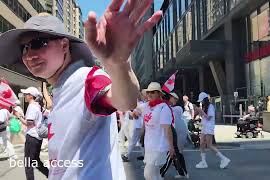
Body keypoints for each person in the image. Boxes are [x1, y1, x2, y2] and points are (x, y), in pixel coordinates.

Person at [0, 0, 163, 179]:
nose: (29, 55)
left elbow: (125, 100)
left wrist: (118, 64)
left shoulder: (86, 78)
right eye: (25, 48)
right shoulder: (61, 88)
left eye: (39, 43)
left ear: (64, 46)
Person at [141, 82, 175, 180]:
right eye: (148, 92)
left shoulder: (164, 108)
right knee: (155, 174)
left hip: (159, 146)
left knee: (148, 174)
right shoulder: (147, 106)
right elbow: (134, 109)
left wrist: (171, 146)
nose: (149, 94)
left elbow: (167, 128)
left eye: (153, 92)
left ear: (159, 94)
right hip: (149, 145)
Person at [195, 92, 231, 169]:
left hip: (209, 127)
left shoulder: (210, 106)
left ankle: (224, 158)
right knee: (201, 143)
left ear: (205, 100)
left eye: (202, 100)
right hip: (205, 127)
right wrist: (199, 112)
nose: (201, 102)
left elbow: (209, 118)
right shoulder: (205, 106)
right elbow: (204, 116)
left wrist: (200, 111)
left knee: (209, 145)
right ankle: (203, 162)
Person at [167, 92, 189, 178]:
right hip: (175, 130)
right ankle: (181, 171)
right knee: (175, 152)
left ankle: (183, 172)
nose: (169, 98)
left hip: (179, 130)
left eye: (171, 97)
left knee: (177, 152)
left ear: (176, 99)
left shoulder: (178, 108)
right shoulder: (169, 107)